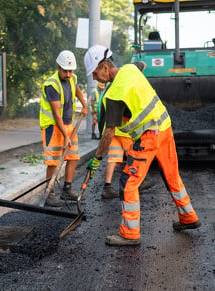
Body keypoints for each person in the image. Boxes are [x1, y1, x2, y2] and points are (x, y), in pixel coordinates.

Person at [84, 45, 201, 246]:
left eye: (95, 74)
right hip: (165, 127)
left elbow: (109, 133)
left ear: (104, 66)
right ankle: (188, 217)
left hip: (149, 136)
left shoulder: (114, 95)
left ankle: (129, 234)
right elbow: (142, 64)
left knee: (128, 182)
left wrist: (96, 160)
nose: (95, 79)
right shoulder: (130, 68)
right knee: (172, 176)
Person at [97, 61, 154, 200]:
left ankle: (107, 187)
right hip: (126, 130)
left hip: (113, 132)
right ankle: (137, 183)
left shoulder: (110, 90)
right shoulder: (125, 85)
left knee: (113, 158)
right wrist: (133, 72)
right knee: (133, 157)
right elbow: (143, 64)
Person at [40, 50, 88, 207]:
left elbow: (77, 90)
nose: (68, 74)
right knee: (53, 160)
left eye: (70, 71)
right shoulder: (51, 85)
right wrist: (65, 136)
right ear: (58, 68)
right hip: (53, 127)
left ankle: (67, 189)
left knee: (73, 156)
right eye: (65, 71)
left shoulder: (72, 78)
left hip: (68, 124)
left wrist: (84, 104)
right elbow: (56, 114)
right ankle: (49, 193)